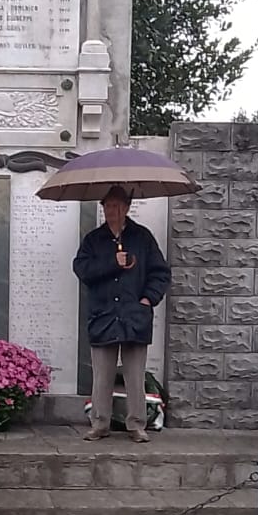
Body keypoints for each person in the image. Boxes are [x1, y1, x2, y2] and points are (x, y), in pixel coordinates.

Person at [73, 184, 171, 443]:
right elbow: (82, 270)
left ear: (127, 208)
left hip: (134, 316)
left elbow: (160, 273)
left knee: (135, 375)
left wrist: (148, 299)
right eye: (107, 206)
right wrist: (111, 263)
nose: (111, 211)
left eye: (116, 206)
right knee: (102, 375)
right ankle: (100, 423)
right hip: (103, 315)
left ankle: (137, 424)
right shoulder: (93, 240)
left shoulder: (143, 238)